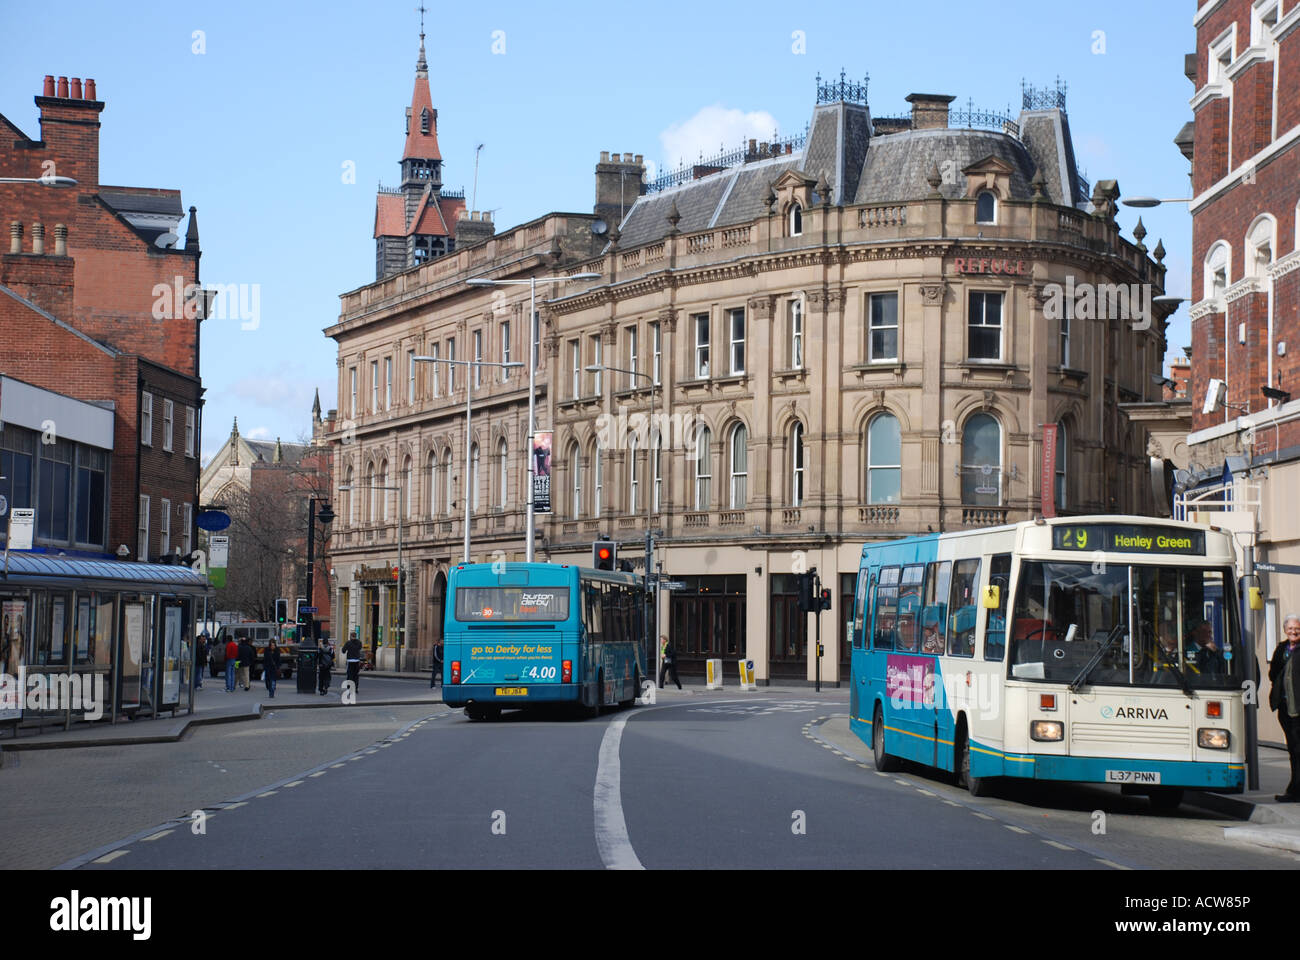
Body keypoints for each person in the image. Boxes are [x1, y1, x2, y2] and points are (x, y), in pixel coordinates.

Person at [1268, 613, 1300, 802]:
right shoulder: (1281, 649)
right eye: (1290, 628)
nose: (1294, 631)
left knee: (1298, 750)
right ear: (1285, 630)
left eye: (1297, 628)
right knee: (1293, 749)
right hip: (1285, 707)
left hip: (1298, 708)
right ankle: (1294, 788)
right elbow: (1273, 674)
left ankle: (1295, 789)